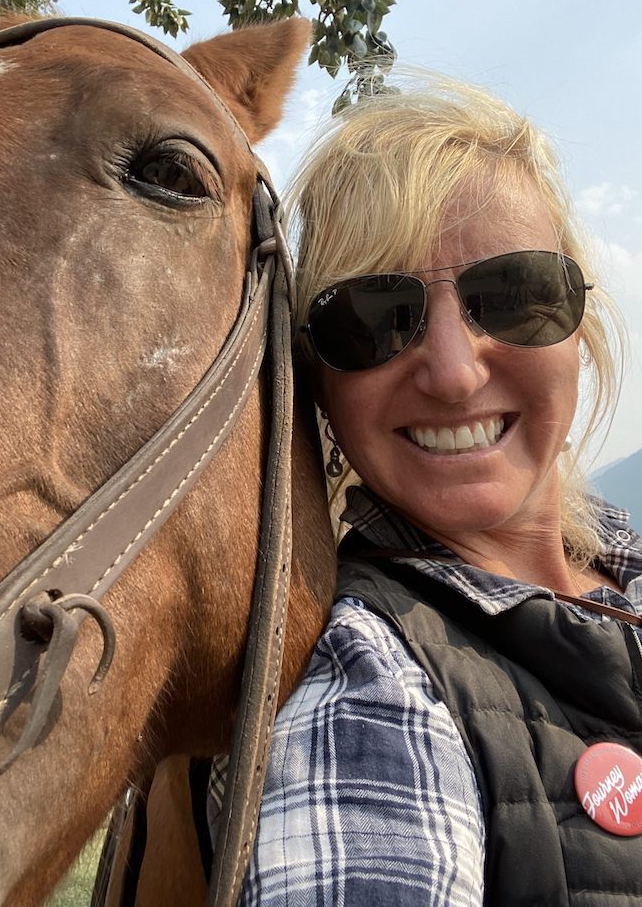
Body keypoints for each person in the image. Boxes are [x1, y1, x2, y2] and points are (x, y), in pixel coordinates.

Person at [208, 73, 642, 905]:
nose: (450, 371)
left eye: (513, 296)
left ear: (579, 327)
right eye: (372, 318)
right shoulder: (368, 691)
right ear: (319, 382)